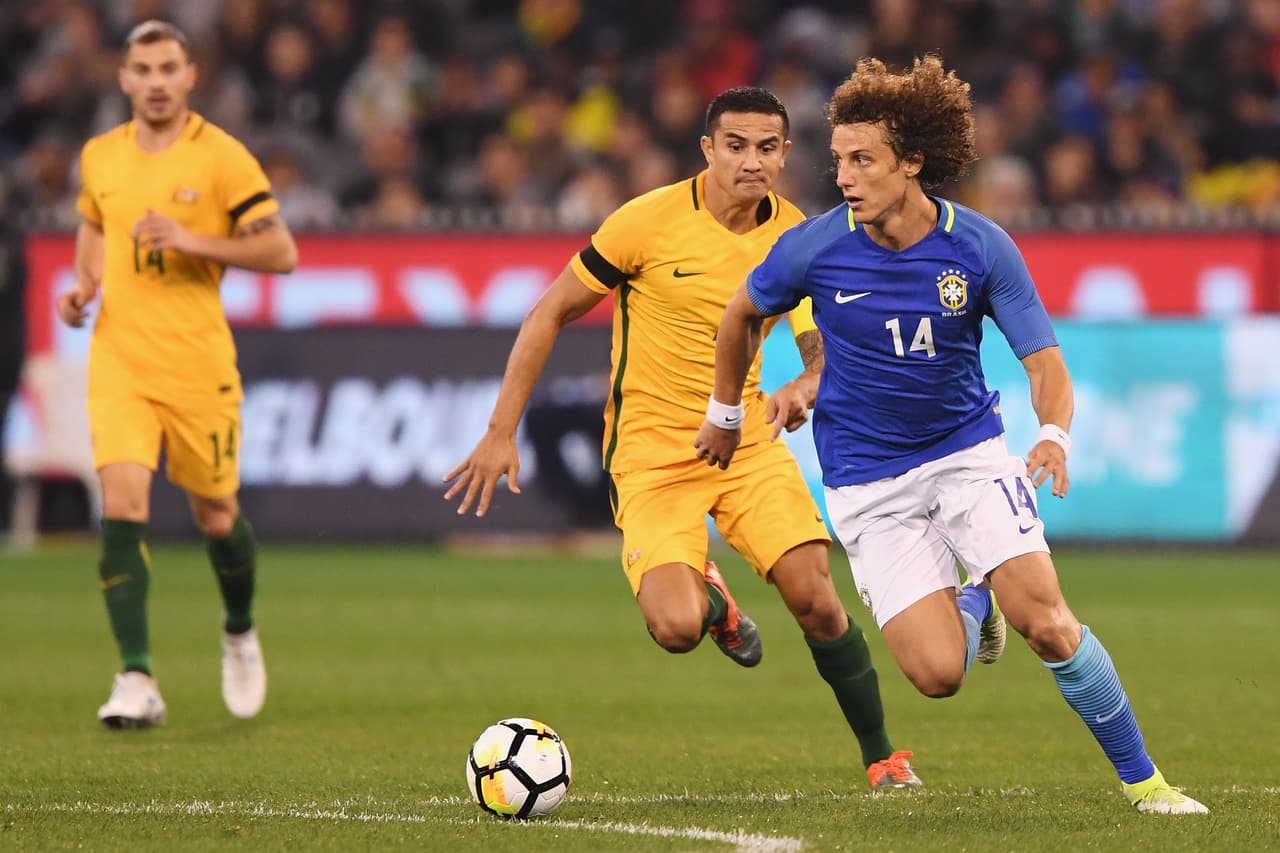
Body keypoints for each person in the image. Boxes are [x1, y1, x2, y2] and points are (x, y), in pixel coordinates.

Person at [697, 57, 1207, 815]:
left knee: (1049, 622)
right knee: (937, 674)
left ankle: (1148, 783)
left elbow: (1044, 361)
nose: (844, 176)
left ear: (911, 162)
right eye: (837, 159)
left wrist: (1055, 433)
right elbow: (741, 313)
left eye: (862, 159)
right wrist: (726, 411)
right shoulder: (814, 247)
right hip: (867, 482)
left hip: (966, 454)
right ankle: (976, 603)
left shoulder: (979, 246)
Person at [445, 87, 921, 789]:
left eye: (767, 148)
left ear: (786, 154)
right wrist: (498, 430)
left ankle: (882, 756)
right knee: (674, 626)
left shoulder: (800, 237)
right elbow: (550, 312)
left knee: (817, 598)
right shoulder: (647, 221)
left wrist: (803, 386)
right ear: (708, 149)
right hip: (651, 454)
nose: (751, 161)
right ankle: (715, 607)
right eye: (736, 146)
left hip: (747, 444)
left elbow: (821, 349)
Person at [57, 20, 298, 729]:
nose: (157, 81)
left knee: (216, 515)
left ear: (191, 76)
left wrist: (191, 238)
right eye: (143, 68)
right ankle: (136, 675)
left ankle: (239, 628)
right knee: (122, 502)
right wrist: (82, 284)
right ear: (124, 78)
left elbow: (281, 250)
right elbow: (96, 223)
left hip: (196, 363)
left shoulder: (223, 158)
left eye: (169, 68)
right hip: (120, 358)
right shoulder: (101, 155)